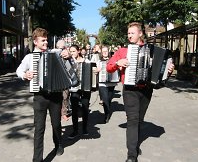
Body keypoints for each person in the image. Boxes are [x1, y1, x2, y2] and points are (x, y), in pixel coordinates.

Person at [106, 22, 174, 162]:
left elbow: (162, 68)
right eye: (129, 33)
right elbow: (109, 67)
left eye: (132, 33)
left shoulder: (152, 50)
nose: (130, 35)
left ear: (140, 33)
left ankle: (134, 144)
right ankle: (131, 155)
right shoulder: (123, 51)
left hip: (146, 90)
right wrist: (118, 63)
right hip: (130, 90)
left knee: (139, 120)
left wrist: (168, 69)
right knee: (132, 120)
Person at [16, 27, 70, 162]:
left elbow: (66, 58)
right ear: (35, 41)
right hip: (39, 97)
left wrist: (66, 54)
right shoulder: (30, 57)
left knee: (56, 124)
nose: (46, 43)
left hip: (55, 96)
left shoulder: (54, 54)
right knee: (39, 128)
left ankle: (58, 144)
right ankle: (37, 159)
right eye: (43, 40)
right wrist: (25, 74)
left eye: (46, 40)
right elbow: (19, 70)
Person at [67, 44, 91, 139]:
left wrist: (95, 71)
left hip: (85, 88)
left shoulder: (87, 61)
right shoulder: (69, 63)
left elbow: (93, 72)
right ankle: (75, 130)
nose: (72, 53)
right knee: (74, 109)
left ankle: (84, 128)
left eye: (74, 51)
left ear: (79, 51)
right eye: (71, 51)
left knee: (85, 108)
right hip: (74, 89)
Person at [94, 46, 118, 123]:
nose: (104, 52)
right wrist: (96, 71)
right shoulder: (99, 61)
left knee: (109, 99)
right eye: (103, 51)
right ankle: (107, 114)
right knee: (105, 99)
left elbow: (117, 69)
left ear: (108, 52)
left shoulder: (113, 60)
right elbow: (94, 70)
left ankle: (107, 111)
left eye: (106, 51)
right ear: (101, 53)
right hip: (102, 83)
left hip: (112, 82)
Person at [56, 39, 71, 121]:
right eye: (58, 48)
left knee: (65, 97)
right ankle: (57, 112)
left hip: (65, 78)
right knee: (57, 97)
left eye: (62, 48)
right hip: (57, 79)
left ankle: (64, 113)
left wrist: (69, 56)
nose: (60, 50)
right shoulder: (54, 54)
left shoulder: (68, 54)